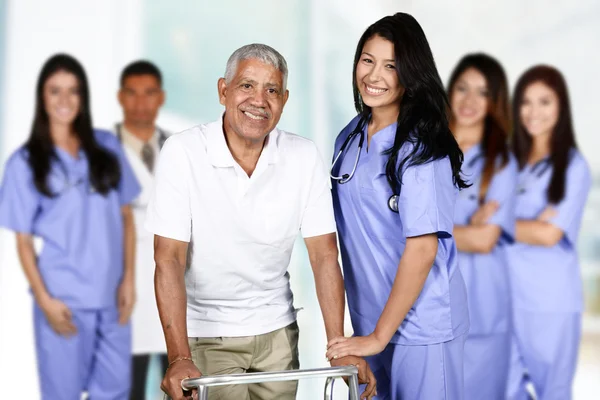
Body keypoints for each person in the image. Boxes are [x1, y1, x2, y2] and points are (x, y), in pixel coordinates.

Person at [145, 43, 377, 400]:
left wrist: (339, 345)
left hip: (278, 336)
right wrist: (178, 357)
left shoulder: (302, 156)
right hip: (206, 335)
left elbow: (323, 256)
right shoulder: (183, 152)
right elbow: (168, 258)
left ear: (284, 100)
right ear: (223, 90)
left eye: (271, 90)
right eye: (247, 86)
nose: (259, 100)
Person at [326, 12, 470, 400]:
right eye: (367, 60)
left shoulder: (422, 148)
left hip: (421, 326)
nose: (374, 76)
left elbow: (423, 248)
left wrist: (378, 337)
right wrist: (368, 334)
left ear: (411, 74)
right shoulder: (350, 137)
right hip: (370, 320)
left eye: (391, 66)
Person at [0, 54, 140, 399]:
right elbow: (23, 242)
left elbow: (126, 218)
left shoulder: (106, 146)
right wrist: (46, 301)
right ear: (42, 98)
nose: (64, 101)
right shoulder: (25, 162)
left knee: (116, 392)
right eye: (55, 91)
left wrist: (129, 281)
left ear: (84, 97)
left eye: (73, 91)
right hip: (63, 303)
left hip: (112, 301)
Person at [506, 65, 590, 400]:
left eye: (545, 102)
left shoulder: (572, 166)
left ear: (561, 107)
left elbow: (549, 234)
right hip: (507, 298)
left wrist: (496, 225)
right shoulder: (511, 161)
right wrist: (528, 225)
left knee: (552, 392)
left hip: (549, 302)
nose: (534, 112)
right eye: (526, 102)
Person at [448, 53, 517, 399]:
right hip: (431, 306)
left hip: (483, 312)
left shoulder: (501, 163)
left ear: (494, 102)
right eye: (462, 88)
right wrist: (464, 228)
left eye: (482, 92)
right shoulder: (425, 149)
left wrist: (433, 230)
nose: (470, 101)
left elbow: (484, 240)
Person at [115, 60, 170, 400]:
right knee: (127, 387)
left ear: (160, 97)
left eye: (149, 93)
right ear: (121, 97)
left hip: (172, 282)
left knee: (178, 381)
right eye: (132, 93)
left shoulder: (178, 147)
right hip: (124, 284)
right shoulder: (103, 151)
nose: (140, 102)